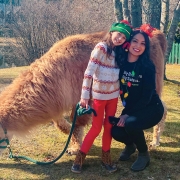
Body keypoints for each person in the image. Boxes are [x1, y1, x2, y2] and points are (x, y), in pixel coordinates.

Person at [71, 20, 132, 174]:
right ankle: (80, 158)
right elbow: (89, 72)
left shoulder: (119, 53)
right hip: (99, 97)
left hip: (113, 97)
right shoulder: (101, 48)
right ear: (112, 32)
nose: (120, 39)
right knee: (96, 128)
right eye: (118, 35)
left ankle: (106, 157)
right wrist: (85, 96)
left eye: (123, 38)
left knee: (109, 127)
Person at [111, 24, 164, 172]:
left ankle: (143, 154)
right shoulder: (120, 62)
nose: (138, 46)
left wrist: (127, 114)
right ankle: (131, 145)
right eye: (135, 41)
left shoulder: (147, 66)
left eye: (142, 43)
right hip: (132, 108)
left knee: (130, 124)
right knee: (115, 131)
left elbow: (147, 96)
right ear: (128, 42)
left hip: (151, 108)